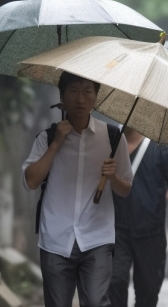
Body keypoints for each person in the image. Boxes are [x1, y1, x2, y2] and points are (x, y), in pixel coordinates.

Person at [22, 72, 133, 307]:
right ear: (62, 97)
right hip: (55, 237)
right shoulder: (47, 137)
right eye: (73, 91)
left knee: (96, 302)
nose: (80, 99)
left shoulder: (113, 138)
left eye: (87, 91)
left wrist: (113, 177)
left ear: (96, 97)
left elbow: (125, 190)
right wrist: (55, 145)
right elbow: (30, 181)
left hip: (97, 238)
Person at [109, 128, 168, 307]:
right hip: (115, 229)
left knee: (148, 290)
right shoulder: (110, 141)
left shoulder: (160, 145)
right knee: (114, 281)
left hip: (151, 231)